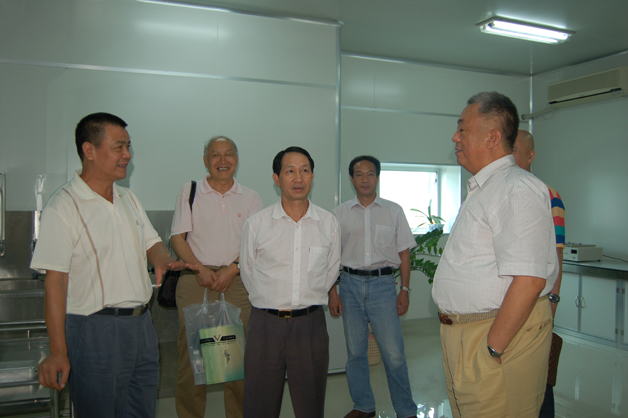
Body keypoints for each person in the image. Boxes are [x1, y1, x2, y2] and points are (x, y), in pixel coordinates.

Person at [31, 112, 194, 418]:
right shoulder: (64, 205)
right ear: (89, 150)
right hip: (95, 329)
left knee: (141, 409)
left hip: (141, 325)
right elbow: (55, 282)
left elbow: (152, 242)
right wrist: (57, 350)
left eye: (128, 146)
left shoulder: (128, 198)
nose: (127, 155)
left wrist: (162, 259)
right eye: (119, 147)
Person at [432, 92, 559, 418]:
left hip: (494, 337)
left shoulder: (517, 188)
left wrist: (492, 347)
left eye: (462, 129)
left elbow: (530, 280)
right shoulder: (486, 188)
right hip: (464, 335)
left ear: (492, 137)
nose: (455, 137)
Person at [239, 146, 341, 418]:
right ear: (277, 178)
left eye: (305, 170)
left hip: (310, 326)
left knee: (311, 406)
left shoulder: (328, 224)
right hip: (265, 326)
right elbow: (247, 271)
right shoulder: (257, 224)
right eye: (290, 171)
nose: (298, 178)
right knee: (259, 405)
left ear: (312, 176)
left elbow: (331, 270)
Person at [170, 136, 262, 418]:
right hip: (195, 279)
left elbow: (255, 244)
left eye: (228, 154)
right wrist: (199, 268)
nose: (223, 161)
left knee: (237, 356)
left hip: (237, 280)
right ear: (205, 160)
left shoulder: (251, 197)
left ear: (237, 159)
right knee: (193, 356)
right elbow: (177, 237)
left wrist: (232, 269)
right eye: (215, 155)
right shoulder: (190, 191)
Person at [328, 155, 417, 418]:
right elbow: (331, 257)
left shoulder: (393, 210)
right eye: (359, 174)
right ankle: (363, 405)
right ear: (351, 179)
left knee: (394, 353)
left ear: (377, 177)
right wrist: (332, 291)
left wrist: (404, 290)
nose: (364, 179)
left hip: (383, 286)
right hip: (349, 286)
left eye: (370, 174)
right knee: (356, 352)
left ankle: (406, 410)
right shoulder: (339, 214)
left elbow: (404, 254)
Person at [513, 129, 566, 418]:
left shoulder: (548, 195)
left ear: (530, 156)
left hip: (536, 302)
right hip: (505, 302)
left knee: (539, 378)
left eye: (514, 151)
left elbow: (556, 253)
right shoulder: (502, 193)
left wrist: (553, 300)